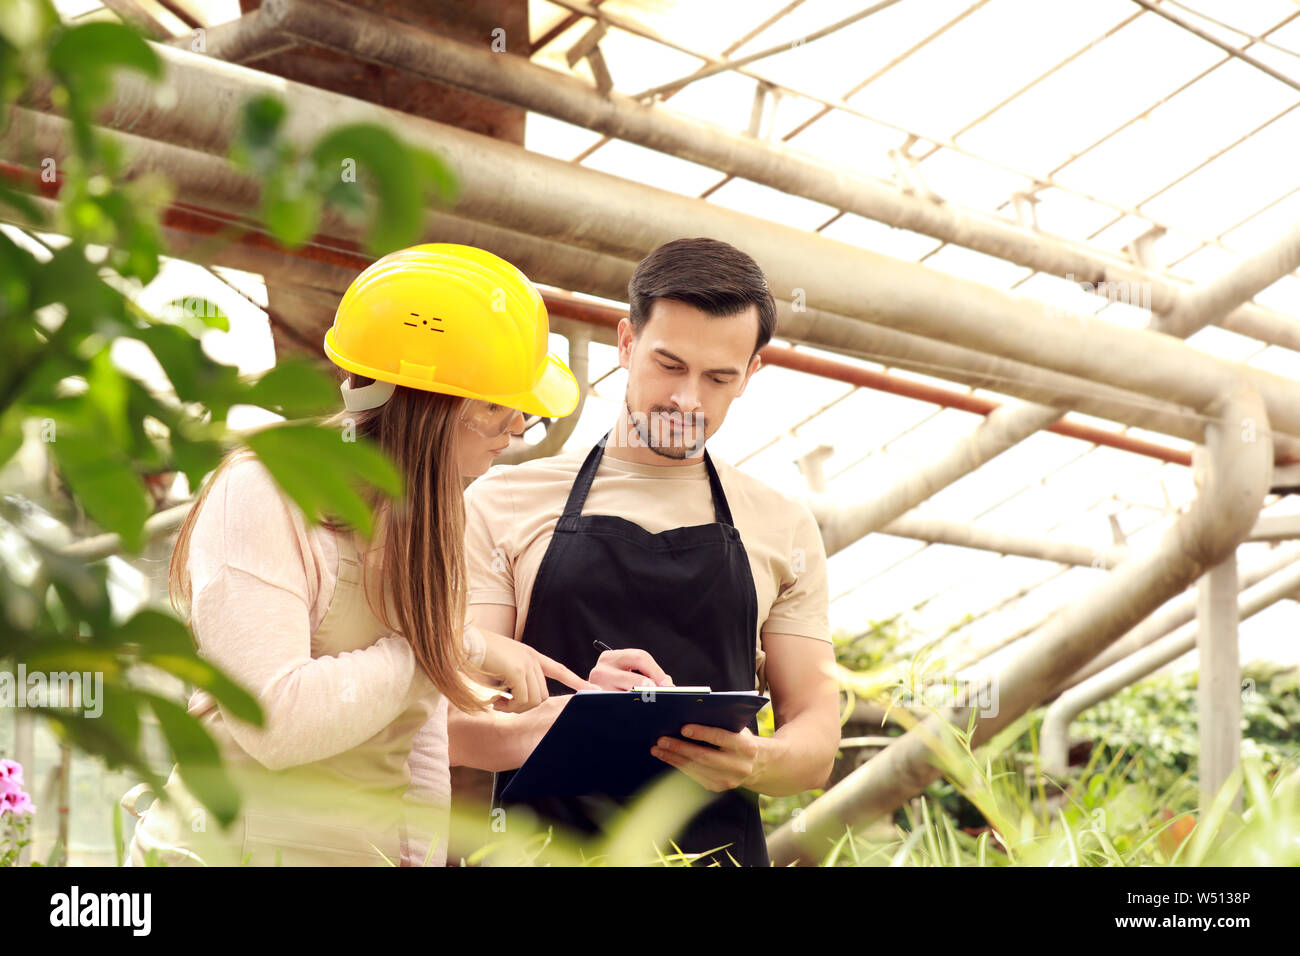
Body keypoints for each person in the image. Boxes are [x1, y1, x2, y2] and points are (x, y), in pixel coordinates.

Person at [123, 243, 593, 867]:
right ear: (429, 406)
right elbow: (276, 722)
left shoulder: (433, 517)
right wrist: (454, 648)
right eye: (498, 408)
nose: (517, 432)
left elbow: (413, 733)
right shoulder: (264, 492)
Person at [449, 237, 841, 866]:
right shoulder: (504, 501)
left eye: (719, 377)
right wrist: (573, 716)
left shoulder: (782, 526)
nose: (688, 400)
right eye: (669, 364)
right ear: (626, 343)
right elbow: (449, 725)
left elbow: (817, 742)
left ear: (751, 374)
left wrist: (756, 760)